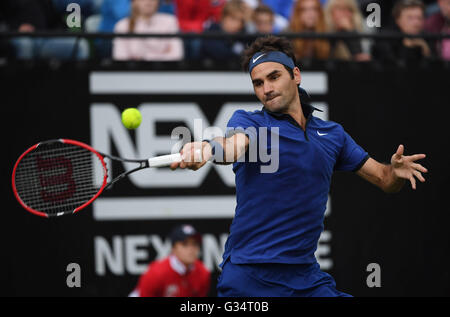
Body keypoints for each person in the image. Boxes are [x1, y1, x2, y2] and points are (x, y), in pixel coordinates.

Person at [170, 35, 428, 297]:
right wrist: (206, 147)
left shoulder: (333, 135)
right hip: (250, 277)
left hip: (305, 276)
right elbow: (232, 146)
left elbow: (384, 179)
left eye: (274, 77)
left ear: (296, 75)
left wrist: (394, 172)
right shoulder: (252, 123)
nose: (266, 89)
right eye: (258, 83)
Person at [130, 224, 210, 297]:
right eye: (185, 244)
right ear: (173, 248)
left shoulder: (203, 272)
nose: (191, 249)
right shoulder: (156, 272)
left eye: (195, 244)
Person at [113, 0, 183, 61]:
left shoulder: (170, 21)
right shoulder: (122, 26)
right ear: (134, 1)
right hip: (133, 74)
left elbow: (176, 55)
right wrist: (161, 53)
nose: (149, 1)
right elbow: (120, 58)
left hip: (163, 72)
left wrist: (142, 57)